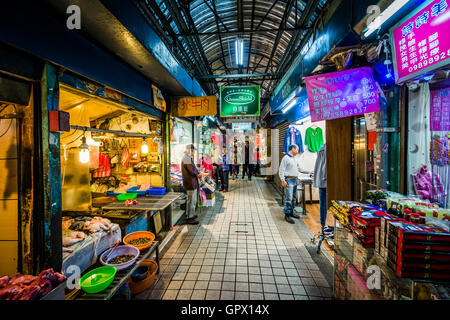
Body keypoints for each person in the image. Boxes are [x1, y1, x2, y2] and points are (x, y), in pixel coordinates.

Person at [279, 144, 311, 224]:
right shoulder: (285, 158)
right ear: (292, 149)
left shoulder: (294, 159)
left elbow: (300, 169)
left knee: (293, 197)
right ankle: (287, 215)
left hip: (295, 180)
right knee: (288, 198)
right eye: (297, 149)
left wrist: (310, 172)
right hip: (288, 180)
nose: (298, 151)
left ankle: (291, 212)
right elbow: (281, 170)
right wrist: (283, 180)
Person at [181, 144, 200, 225]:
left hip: (192, 183)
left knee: (192, 201)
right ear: (189, 150)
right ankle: (189, 217)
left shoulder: (188, 158)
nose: (193, 152)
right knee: (191, 201)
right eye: (192, 151)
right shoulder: (186, 158)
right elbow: (191, 171)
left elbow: (193, 169)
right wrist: (197, 174)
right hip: (190, 183)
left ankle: (190, 215)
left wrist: (197, 172)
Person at [313, 144, 327, 229]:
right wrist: (325, 177)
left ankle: (323, 224)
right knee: (324, 203)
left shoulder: (322, 147)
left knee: (323, 203)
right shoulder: (325, 149)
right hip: (324, 180)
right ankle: (324, 224)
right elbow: (325, 165)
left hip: (321, 179)